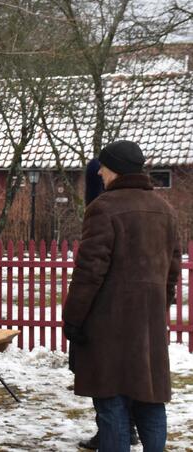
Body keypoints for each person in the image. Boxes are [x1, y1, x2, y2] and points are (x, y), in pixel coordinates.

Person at [63, 141, 181, 452]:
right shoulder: (165, 210)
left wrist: (73, 319)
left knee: (112, 403)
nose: (99, 172)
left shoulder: (103, 207)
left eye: (103, 166)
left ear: (114, 168)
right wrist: (158, 309)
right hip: (149, 327)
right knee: (150, 401)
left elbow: (89, 272)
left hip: (108, 326)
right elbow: (172, 271)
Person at [76, 158, 139, 450]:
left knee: (105, 373)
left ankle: (116, 430)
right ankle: (116, 429)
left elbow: (92, 267)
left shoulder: (103, 208)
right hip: (129, 301)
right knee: (120, 370)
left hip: (106, 303)